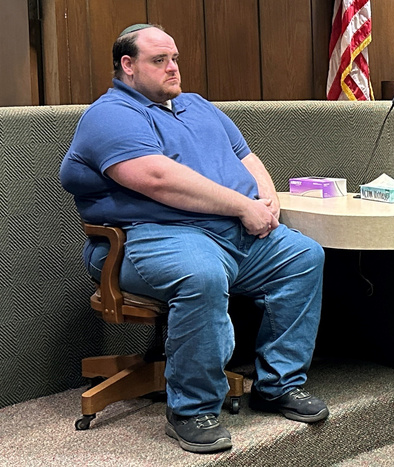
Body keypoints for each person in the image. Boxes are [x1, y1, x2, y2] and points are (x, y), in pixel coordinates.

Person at [60, 24, 328, 454]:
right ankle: (192, 409)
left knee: (303, 257)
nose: (173, 68)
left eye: (175, 59)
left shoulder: (197, 106)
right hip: (149, 239)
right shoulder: (110, 115)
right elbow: (158, 179)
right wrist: (242, 207)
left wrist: (267, 196)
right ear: (127, 66)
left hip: (228, 232)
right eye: (159, 60)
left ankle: (279, 385)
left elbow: (247, 155)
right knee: (201, 274)